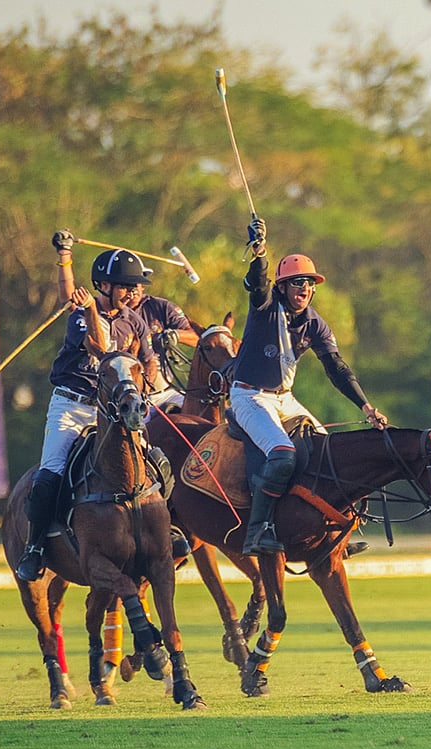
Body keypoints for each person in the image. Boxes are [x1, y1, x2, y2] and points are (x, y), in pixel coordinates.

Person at [228, 217, 388, 556]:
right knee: (283, 455)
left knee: (329, 453)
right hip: (249, 395)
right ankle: (258, 531)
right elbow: (257, 283)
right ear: (283, 286)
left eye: (311, 283)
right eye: (298, 282)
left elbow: (336, 368)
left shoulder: (315, 323)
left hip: (285, 399)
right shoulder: (266, 306)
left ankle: (334, 531)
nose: (305, 288)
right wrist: (259, 253)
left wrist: (366, 406)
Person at [15, 232, 158, 581]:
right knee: (49, 475)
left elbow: (149, 359)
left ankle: (165, 532)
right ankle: (35, 547)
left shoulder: (133, 319)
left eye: (133, 286)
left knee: (157, 464)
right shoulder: (81, 315)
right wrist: (76, 279)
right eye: (125, 285)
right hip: (72, 405)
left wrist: (147, 387)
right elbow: (101, 346)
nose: (131, 292)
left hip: (114, 410)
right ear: (104, 285)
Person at [124, 275, 200, 415]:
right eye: (127, 286)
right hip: (129, 396)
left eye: (136, 285)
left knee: (200, 416)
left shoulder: (161, 307)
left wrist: (175, 335)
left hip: (166, 392)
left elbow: (197, 338)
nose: (133, 291)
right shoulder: (111, 313)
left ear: (143, 286)